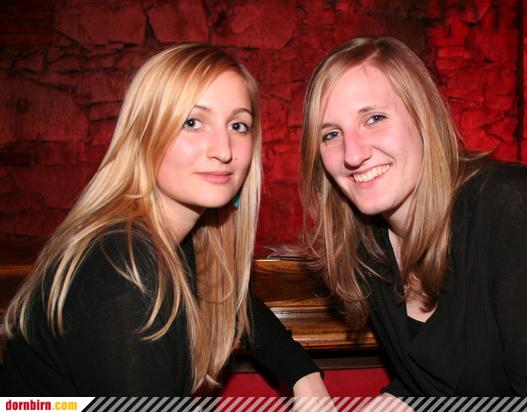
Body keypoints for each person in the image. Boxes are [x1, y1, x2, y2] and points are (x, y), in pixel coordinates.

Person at [1, 44, 327, 396]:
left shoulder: (185, 240)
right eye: (192, 122)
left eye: (238, 125)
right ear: (145, 134)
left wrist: (302, 374)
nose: (224, 150)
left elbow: (229, 299)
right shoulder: (121, 268)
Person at [300, 36, 527, 396]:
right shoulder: (367, 248)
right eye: (331, 134)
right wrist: (402, 397)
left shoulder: (514, 208)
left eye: (374, 118)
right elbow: (442, 371)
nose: (353, 154)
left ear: (424, 118)